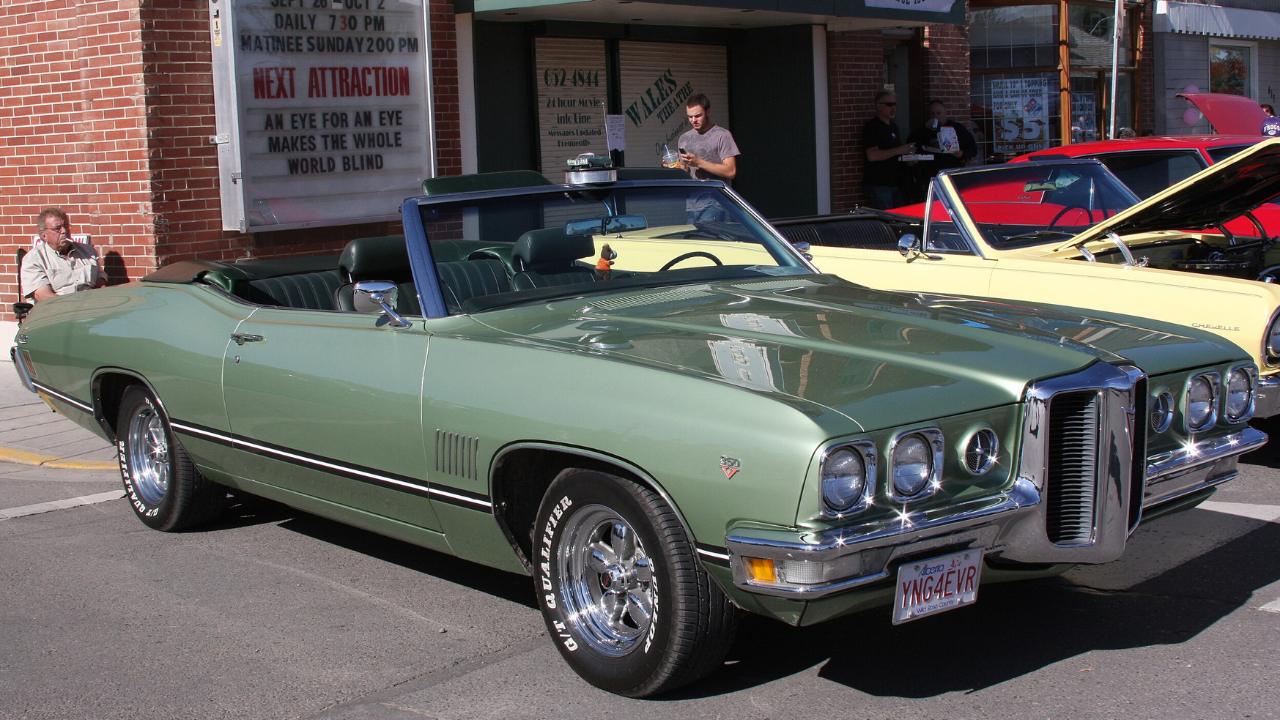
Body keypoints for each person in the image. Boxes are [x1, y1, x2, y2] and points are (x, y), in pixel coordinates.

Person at [677, 94, 740, 223]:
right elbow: (684, 171)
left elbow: (731, 171)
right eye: (690, 117)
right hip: (692, 204)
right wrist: (674, 167)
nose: (693, 120)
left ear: (708, 112)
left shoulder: (722, 135)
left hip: (715, 203)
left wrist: (699, 162)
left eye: (697, 116)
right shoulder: (684, 138)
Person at [21, 208, 105, 302]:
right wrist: (74, 305)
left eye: (66, 226)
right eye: (57, 228)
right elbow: (43, 296)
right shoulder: (34, 259)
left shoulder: (88, 252)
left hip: (91, 305)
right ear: (44, 235)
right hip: (57, 309)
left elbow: (100, 283)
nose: (64, 231)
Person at [907, 99, 978, 201]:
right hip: (929, 177)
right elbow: (910, 145)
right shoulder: (922, 131)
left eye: (938, 113)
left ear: (945, 113)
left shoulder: (956, 128)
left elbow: (973, 149)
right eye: (932, 114)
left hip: (951, 175)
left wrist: (961, 154)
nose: (935, 116)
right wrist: (924, 128)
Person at [862, 90, 916, 209]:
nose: (893, 108)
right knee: (885, 218)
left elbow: (897, 153)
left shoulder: (894, 127)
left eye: (895, 104)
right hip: (880, 184)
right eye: (889, 104)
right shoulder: (872, 127)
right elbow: (872, 156)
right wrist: (899, 150)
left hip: (896, 183)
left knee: (898, 217)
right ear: (878, 106)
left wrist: (909, 158)